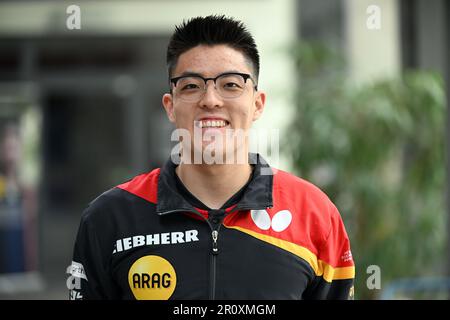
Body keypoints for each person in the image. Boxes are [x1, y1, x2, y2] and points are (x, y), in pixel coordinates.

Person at [69, 15, 355, 300]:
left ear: (257, 104)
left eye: (230, 84)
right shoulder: (109, 218)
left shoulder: (314, 214)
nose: (210, 100)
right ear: (170, 106)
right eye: (191, 86)